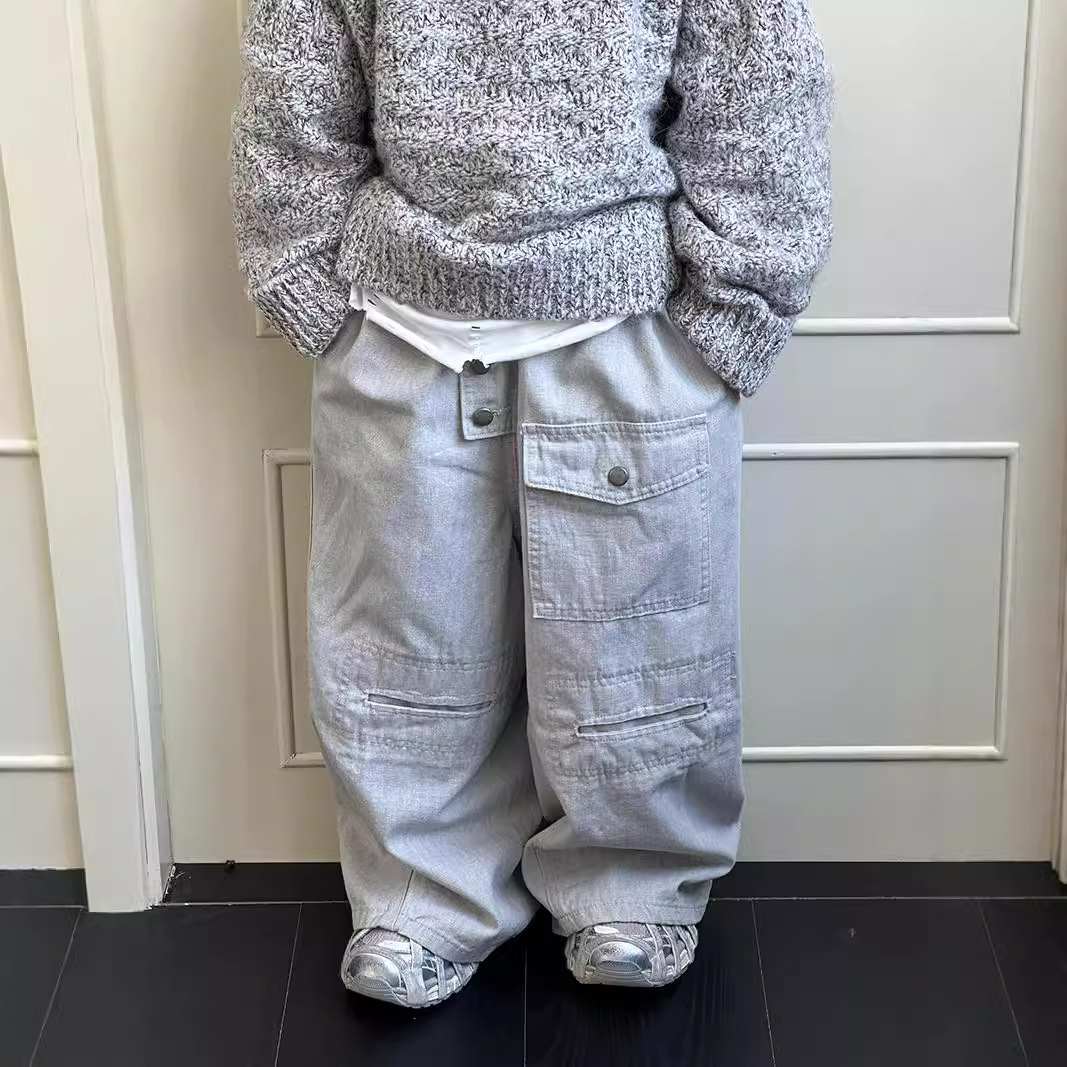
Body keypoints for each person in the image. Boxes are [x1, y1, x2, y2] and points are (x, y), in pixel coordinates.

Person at [231, 0, 832, 1009]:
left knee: (637, 636)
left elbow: (758, 91)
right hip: (400, 322)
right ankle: (420, 897)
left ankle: (631, 886)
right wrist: (303, 283)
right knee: (401, 633)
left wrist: (734, 308)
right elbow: (294, 90)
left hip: (628, 321)